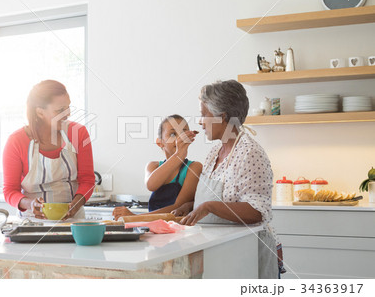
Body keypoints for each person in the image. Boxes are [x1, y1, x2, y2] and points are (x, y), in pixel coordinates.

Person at [172, 80, 285, 279]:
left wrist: (209, 206)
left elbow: (257, 211)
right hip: (223, 253)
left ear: (222, 117)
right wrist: (191, 206)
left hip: (248, 254)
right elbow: (220, 197)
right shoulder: (214, 152)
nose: (200, 121)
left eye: (204, 114)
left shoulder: (249, 152)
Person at [2, 80, 95, 220]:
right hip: (32, 221)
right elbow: (10, 191)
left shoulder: (78, 133)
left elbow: (87, 179)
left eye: (68, 107)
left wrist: (75, 204)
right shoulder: (16, 141)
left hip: (73, 220)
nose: (68, 114)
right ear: (40, 112)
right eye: (60, 110)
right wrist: (31, 204)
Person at [113, 115, 202, 220]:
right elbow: (151, 185)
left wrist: (135, 217)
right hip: (154, 227)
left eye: (183, 133)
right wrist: (178, 155)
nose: (179, 138)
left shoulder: (194, 167)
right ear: (160, 143)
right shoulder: (152, 166)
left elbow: (178, 209)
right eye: (173, 134)